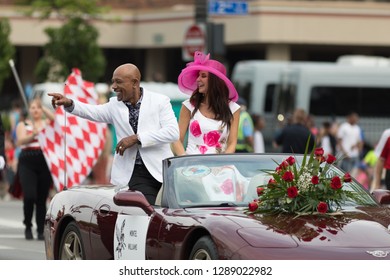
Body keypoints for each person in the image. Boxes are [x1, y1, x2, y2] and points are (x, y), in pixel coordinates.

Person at [49, 63, 179, 205]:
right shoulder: (114, 105)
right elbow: (92, 112)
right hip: (132, 174)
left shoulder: (160, 101)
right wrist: (69, 103)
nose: (114, 87)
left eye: (119, 82)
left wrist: (137, 138)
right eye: (113, 82)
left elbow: (172, 132)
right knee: (141, 212)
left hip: (161, 171)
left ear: (134, 83)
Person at [172, 51, 240, 155]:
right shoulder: (188, 106)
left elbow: (232, 144)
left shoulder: (233, 108)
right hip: (191, 166)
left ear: (215, 81)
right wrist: (184, 160)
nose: (198, 79)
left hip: (221, 166)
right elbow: (177, 140)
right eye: (198, 75)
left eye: (203, 76)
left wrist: (223, 163)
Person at [15, 98, 55, 240]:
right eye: (33, 108)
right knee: (30, 195)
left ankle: (40, 229)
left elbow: (56, 119)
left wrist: (44, 108)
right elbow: (19, 141)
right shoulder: (23, 124)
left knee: (41, 198)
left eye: (38, 108)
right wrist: (33, 135)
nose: (36, 110)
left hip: (43, 161)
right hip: (27, 161)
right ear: (29, 110)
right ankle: (27, 225)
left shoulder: (45, 123)